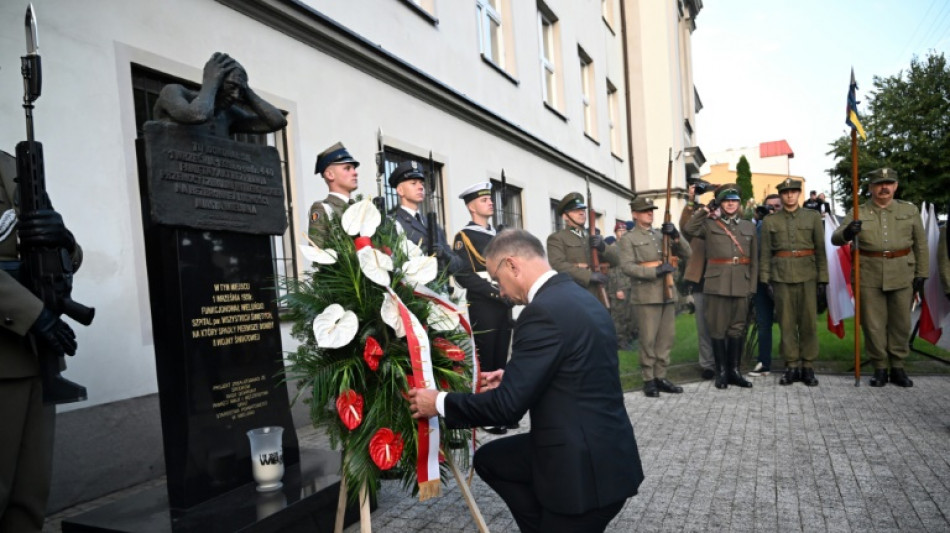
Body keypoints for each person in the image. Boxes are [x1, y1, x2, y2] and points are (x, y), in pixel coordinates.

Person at [408, 229, 643, 533]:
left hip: (584, 477)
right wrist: (515, 375)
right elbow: (578, 367)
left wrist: (436, 402)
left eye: (497, 279)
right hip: (611, 452)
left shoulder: (541, 313)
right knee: (493, 459)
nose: (501, 292)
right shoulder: (579, 298)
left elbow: (506, 410)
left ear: (512, 266)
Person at [0, 150, 83, 531]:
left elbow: (60, 253)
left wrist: (63, 239)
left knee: (30, 498)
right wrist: (33, 314)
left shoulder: (15, 166)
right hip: (16, 339)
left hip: (35, 357)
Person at [832, 168, 928, 387]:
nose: (884, 187)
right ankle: (880, 368)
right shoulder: (859, 211)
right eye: (879, 183)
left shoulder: (909, 210)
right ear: (870, 188)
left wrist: (922, 273)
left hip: (902, 272)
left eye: (889, 183)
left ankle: (898, 367)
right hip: (869, 273)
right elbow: (836, 237)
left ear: (895, 186)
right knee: (873, 324)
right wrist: (848, 233)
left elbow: (920, 244)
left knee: (901, 323)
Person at [452, 182, 514, 434]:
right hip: (484, 303)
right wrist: (493, 291)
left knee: (502, 358)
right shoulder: (464, 237)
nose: (490, 202)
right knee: (486, 360)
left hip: (504, 301)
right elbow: (463, 274)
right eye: (483, 199)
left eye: (490, 198)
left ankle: (501, 409)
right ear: (471, 206)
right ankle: (486, 413)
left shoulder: (499, 235)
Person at [684, 184, 756, 389]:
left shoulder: (748, 227)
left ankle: (734, 371)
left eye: (733, 200)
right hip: (716, 283)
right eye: (726, 201)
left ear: (739, 203)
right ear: (720, 204)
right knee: (717, 328)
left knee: (737, 328)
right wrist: (706, 209)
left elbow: (754, 260)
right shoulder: (709, 224)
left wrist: (751, 286)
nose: (730, 204)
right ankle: (721, 372)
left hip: (741, 282)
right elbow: (689, 229)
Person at [619, 197, 691, 397]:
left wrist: (676, 235)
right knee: (648, 339)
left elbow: (688, 253)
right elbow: (626, 267)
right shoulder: (628, 239)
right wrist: (655, 272)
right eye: (644, 210)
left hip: (667, 293)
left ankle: (661, 376)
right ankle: (648, 379)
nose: (649, 213)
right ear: (635, 214)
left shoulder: (661, 235)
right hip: (646, 294)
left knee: (666, 338)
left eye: (651, 210)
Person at [760, 179, 827, 386]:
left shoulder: (813, 217)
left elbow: (820, 250)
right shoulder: (770, 222)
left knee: (808, 323)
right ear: (780, 195)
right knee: (786, 323)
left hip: (807, 275)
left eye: (793, 192)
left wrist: (823, 278)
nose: (789, 195)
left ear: (799, 194)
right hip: (781, 277)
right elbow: (765, 253)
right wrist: (765, 278)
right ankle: (791, 365)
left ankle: (807, 366)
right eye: (785, 192)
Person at [153, 52, 287, 136]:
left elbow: (277, 122)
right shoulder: (173, 92)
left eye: (239, 91)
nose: (235, 95)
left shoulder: (229, 115)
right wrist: (210, 82)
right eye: (232, 87)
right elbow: (197, 115)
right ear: (215, 81)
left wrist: (246, 90)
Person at [388, 160, 465, 274]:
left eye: (422, 184)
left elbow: (458, 265)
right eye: (413, 183)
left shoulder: (432, 224)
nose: (420, 187)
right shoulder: (393, 222)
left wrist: (444, 255)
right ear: (400, 190)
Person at [546, 192, 617, 304]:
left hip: (598, 294)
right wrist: (588, 275)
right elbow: (558, 265)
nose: (581, 213)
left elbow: (617, 260)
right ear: (565, 216)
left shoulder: (592, 236)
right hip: (574, 294)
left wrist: (603, 247)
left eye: (583, 210)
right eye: (575, 211)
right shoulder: (557, 238)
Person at [679, 184, 715, 379]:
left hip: (723, 281)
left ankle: (724, 361)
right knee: (703, 326)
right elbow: (685, 226)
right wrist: (693, 201)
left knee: (722, 325)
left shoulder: (724, 222)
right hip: (701, 280)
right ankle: (707, 364)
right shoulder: (698, 225)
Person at [749, 194, 782, 377]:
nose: (772, 210)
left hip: (783, 280)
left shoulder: (786, 225)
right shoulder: (757, 227)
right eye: (768, 207)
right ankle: (763, 362)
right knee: (763, 324)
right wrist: (756, 219)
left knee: (789, 322)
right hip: (762, 281)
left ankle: (792, 362)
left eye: (776, 206)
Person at [308, 142, 360, 247]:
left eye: (354, 168)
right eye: (347, 168)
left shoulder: (359, 208)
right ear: (330, 175)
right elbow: (317, 253)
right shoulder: (323, 208)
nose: (355, 172)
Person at [607, 221, 634, 350]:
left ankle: (627, 339)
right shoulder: (613, 248)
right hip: (618, 287)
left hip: (629, 284)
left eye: (624, 231)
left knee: (628, 315)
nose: (622, 233)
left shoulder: (628, 246)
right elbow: (612, 271)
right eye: (620, 231)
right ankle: (619, 342)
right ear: (615, 233)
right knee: (618, 316)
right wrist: (618, 289)